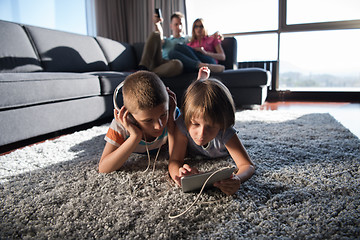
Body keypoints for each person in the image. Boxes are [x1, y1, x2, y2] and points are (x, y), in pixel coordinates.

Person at [168, 67, 255, 195]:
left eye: (210, 126)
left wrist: (238, 179)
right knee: (194, 98)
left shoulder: (225, 130)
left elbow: (247, 165)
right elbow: (175, 161)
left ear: (221, 124)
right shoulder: (183, 123)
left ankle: (201, 81)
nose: (201, 133)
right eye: (196, 124)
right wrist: (179, 176)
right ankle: (201, 81)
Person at [99, 71, 178, 173]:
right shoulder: (122, 125)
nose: (159, 126)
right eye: (148, 120)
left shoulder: (172, 114)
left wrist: (171, 123)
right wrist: (135, 137)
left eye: (163, 115)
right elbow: (104, 168)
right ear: (130, 117)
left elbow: (178, 156)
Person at [138, 12, 188, 78]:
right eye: (176, 24)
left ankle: (145, 75)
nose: (179, 27)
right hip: (159, 61)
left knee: (178, 64)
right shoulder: (167, 40)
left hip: (170, 65)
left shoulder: (187, 39)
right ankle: (143, 68)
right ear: (171, 26)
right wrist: (157, 24)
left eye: (181, 24)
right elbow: (160, 36)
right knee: (156, 34)